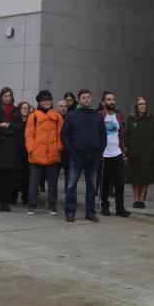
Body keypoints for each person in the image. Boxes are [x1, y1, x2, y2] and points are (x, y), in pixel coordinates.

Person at [61, 89, 106, 223]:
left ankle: (90, 213)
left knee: (92, 186)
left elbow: (103, 136)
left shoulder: (97, 116)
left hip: (93, 157)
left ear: (91, 99)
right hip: (76, 156)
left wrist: (100, 152)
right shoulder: (72, 115)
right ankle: (70, 212)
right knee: (71, 185)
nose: (87, 99)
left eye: (88, 97)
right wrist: (71, 150)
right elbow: (64, 134)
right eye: (84, 98)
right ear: (79, 100)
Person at [25, 90, 63, 216]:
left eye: (49, 100)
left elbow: (60, 135)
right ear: (40, 102)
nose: (47, 102)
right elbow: (29, 135)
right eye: (44, 100)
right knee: (33, 183)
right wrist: (31, 149)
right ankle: (31, 206)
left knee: (53, 184)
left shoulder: (57, 117)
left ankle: (52, 207)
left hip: (53, 155)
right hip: (36, 154)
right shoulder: (33, 116)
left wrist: (59, 147)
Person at [0, 87, 23, 212]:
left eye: (9, 96)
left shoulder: (16, 111)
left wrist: (8, 125)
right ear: (1, 97)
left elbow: (20, 126)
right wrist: (10, 131)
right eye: (5, 96)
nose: (7, 98)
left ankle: (6, 201)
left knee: (9, 176)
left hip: (11, 147)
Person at [98, 91, 130, 217]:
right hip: (104, 155)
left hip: (117, 153)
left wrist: (123, 151)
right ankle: (105, 206)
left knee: (120, 181)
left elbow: (121, 135)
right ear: (103, 102)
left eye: (113, 99)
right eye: (109, 99)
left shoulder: (118, 115)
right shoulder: (100, 115)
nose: (112, 101)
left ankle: (120, 208)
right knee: (105, 182)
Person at [125, 96, 154, 208]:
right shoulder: (130, 118)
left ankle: (142, 200)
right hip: (134, 152)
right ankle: (136, 199)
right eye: (140, 104)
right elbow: (126, 135)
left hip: (148, 153)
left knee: (145, 176)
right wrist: (129, 147)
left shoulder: (152, 118)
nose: (143, 105)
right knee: (135, 177)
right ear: (136, 106)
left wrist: (152, 146)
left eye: (144, 103)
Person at [16, 101, 32, 204]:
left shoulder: (31, 121)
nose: (25, 110)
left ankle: (25, 197)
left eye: (27, 108)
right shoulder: (16, 121)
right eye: (23, 108)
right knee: (16, 175)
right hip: (17, 151)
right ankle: (13, 196)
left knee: (27, 176)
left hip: (28, 151)